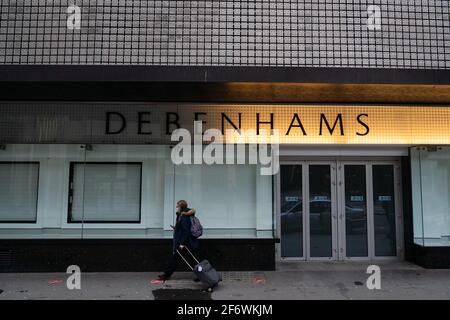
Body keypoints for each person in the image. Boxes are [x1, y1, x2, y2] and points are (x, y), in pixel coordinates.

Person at [158, 200, 199, 281]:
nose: (176, 208)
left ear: (181, 207)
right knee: (178, 259)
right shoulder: (182, 215)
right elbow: (183, 228)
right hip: (184, 242)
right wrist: (176, 228)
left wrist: (182, 243)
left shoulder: (184, 216)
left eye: (177, 206)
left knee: (186, 259)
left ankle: (202, 274)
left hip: (184, 243)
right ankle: (167, 274)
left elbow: (186, 231)